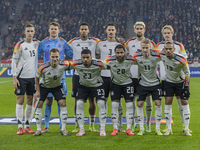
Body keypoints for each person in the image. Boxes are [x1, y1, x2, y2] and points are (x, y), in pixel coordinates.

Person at [38, 22, 73, 133]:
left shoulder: (63, 43)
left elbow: (72, 54)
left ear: (59, 30)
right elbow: (36, 55)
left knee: (61, 101)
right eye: (52, 29)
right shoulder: (43, 43)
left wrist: (71, 43)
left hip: (60, 76)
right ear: (49, 30)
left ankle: (62, 127)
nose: (53, 30)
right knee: (48, 101)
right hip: (47, 76)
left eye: (55, 29)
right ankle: (46, 126)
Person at [156, 25, 192, 133]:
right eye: (165, 33)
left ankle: (185, 126)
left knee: (182, 102)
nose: (167, 35)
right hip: (166, 78)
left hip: (179, 78)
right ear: (162, 34)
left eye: (168, 33)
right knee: (168, 102)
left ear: (172, 33)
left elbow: (183, 62)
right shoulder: (159, 46)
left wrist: (186, 84)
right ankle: (169, 128)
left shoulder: (179, 46)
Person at [68, 22, 100, 132]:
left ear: (88, 30)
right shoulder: (73, 42)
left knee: (92, 100)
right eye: (82, 29)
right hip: (78, 74)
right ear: (79, 30)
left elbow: (107, 45)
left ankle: (92, 125)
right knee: (77, 101)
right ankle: (77, 125)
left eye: (85, 29)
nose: (83, 31)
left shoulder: (95, 41)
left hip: (92, 74)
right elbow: (62, 45)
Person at [125, 22, 156, 132]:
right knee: (133, 100)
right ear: (134, 30)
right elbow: (125, 55)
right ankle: (133, 123)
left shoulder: (150, 42)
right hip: (132, 75)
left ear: (144, 30)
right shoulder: (129, 42)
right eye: (137, 28)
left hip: (145, 76)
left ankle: (147, 124)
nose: (139, 30)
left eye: (141, 28)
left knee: (148, 99)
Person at [33, 48, 71, 136]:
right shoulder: (43, 67)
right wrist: (37, 91)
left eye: (56, 57)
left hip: (57, 87)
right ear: (49, 56)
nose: (55, 59)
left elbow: (74, 65)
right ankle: (38, 130)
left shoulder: (64, 64)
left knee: (63, 103)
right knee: (39, 104)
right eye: (53, 57)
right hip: (45, 87)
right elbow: (36, 77)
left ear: (60, 56)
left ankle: (63, 129)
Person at [96, 22, 125, 132]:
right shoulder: (100, 44)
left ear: (116, 31)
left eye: (113, 30)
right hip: (103, 76)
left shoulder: (120, 45)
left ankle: (120, 124)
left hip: (116, 76)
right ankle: (101, 125)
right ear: (106, 31)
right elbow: (96, 53)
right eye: (109, 30)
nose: (111, 32)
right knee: (102, 101)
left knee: (118, 102)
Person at [70, 49, 107, 137]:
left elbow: (110, 67)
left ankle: (102, 128)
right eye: (84, 58)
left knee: (101, 103)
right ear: (81, 58)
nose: (85, 59)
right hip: (84, 86)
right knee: (79, 104)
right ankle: (81, 129)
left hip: (97, 85)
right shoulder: (76, 64)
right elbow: (64, 67)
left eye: (87, 57)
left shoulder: (99, 63)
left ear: (91, 57)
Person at [11, 24, 40, 135]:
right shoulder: (20, 45)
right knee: (20, 101)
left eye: (31, 31)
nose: (29, 33)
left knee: (29, 101)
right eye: (28, 31)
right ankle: (19, 126)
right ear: (24, 32)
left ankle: (27, 125)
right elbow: (14, 61)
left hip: (32, 78)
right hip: (21, 77)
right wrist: (14, 77)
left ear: (34, 32)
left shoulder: (37, 43)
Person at [132, 38, 163, 136]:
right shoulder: (136, 56)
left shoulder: (156, 55)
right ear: (140, 48)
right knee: (140, 104)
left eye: (147, 48)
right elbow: (127, 61)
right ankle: (142, 128)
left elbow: (166, 56)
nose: (145, 50)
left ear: (150, 47)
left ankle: (157, 129)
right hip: (142, 84)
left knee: (158, 104)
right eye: (143, 48)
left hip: (155, 83)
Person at [104, 44, 135, 136]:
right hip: (115, 84)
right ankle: (115, 129)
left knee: (129, 106)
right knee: (114, 106)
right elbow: (101, 65)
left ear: (125, 52)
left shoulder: (131, 59)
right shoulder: (109, 60)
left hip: (128, 84)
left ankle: (128, 129)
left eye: (121, 52)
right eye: (118, 53)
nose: (120, 54)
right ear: (115, 53)